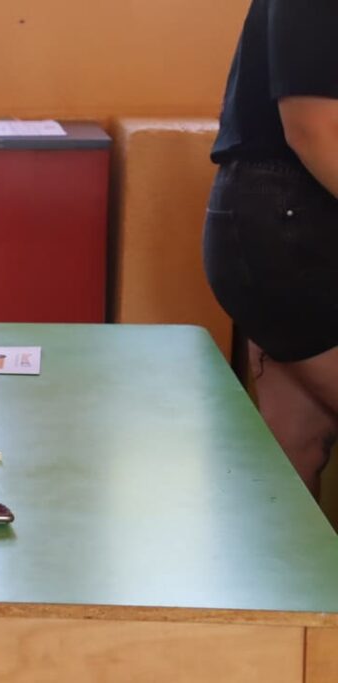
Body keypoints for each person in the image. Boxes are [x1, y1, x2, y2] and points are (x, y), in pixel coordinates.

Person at [203, 0, 338, 499]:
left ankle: (276, 578)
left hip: (289, 220)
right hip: (287, 226)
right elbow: (312, 130)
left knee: (297, 442)